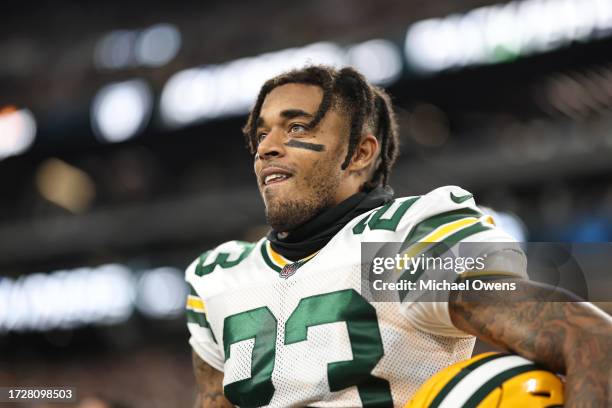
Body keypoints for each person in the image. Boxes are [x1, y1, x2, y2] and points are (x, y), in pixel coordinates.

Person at [185, 65, 612, 407]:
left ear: (359, 153)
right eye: (262, 133)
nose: (267, 147)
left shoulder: (393, 245)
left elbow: (591, 339)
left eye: (297, 128)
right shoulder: (220, 274)